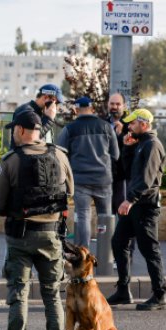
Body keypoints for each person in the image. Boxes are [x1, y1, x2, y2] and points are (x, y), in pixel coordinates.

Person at [0, 110, 74, 330]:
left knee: (19, 297)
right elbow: (69, 192)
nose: (13, 133)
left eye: (14, 129)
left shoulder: (12, 160)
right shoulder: (60, 155)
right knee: (52, 297)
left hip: (20, 237)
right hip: (51, 236)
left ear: (23, 131)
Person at [107, 109, 166, 311]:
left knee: (149, 249)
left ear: (144, 124)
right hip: (135, 205)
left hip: (145, 207)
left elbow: (146, 179)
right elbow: (127, 172)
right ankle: (124, 290)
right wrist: (126, 148)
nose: (129, 127)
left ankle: (160, 294)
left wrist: (130, 200)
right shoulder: (141, 144)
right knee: (118, 242)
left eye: (132, 124)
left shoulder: (152, 145)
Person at [56, 96, 119, 249]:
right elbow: (115, 155)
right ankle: (107, 255)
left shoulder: (69, 129)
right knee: (105, 217)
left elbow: (59, 155)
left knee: (83, 216)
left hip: (80, 180)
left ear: (76, 110)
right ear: (92, 109)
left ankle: (83, 255)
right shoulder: (106, 127)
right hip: (103, 179)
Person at [106, 93, 128, 213]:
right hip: (105, 173)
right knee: (106, 210)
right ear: (107, 105)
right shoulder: (102, 123)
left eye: (118, 104)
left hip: (122, 175)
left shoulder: (130, 125)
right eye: (112, 103)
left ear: (124, 106)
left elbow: (132, 148)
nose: (114, 106)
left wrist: (121, 134)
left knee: (121, 208)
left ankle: (121, 232)